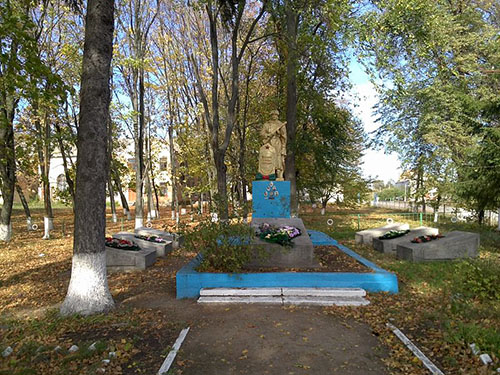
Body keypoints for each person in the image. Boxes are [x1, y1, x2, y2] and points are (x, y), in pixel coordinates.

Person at [260, 110, 286, 180]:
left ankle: (279, 175)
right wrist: (268, 135)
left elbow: (284, 137)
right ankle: (266, 175)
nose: (274, 116)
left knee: (278, 159)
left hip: (277, 143)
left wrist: (283, 146)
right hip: (269, 143)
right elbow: (262, 134)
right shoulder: (267, 124)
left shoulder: (280, 124)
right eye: (273, 115)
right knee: (267, 158)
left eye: (276, 115)